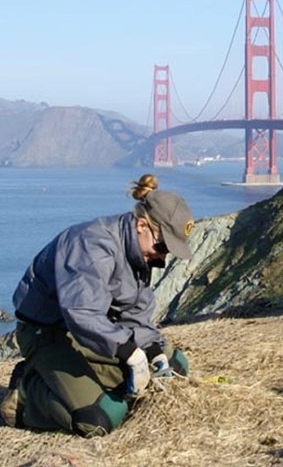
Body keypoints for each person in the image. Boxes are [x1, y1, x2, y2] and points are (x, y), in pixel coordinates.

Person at [0, 173, 195, 437]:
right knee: (100, 418)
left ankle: (66, 380)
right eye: (162, 246)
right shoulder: (93, 245)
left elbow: (135, 315)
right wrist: (128, 352)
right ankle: (25, 395)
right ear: (141, 226)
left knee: (175, 365)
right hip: (47, 333)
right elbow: (82, 313)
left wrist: (152, 350)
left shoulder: (139, 253)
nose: (162, 256)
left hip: (92, 332)